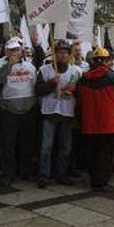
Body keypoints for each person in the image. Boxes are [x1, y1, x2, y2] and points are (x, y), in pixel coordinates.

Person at [76, 47, 114, 192]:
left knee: (92, 152)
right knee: (106, 153)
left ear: (92, 61)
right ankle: (102, 182)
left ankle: (94, 180)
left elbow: (79, 100)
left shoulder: (83, 78)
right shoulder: (113, 76)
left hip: (90, 124)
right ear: (106, 61)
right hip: (108, 123)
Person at [0, 38, 39, 185]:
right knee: (8, 144)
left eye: (17, 50)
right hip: (9, 111)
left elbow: (34, 85)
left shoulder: (29, 66)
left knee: (27, 143)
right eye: (11, 50)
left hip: (28, 110)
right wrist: (9, 65)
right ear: (6, 51)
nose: (15, 53)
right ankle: (8, 173)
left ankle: (26, 171)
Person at [35, 40, 82, 187]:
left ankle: (62, 173)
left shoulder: (76, 72)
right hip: (49, 112)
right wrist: (51, 84)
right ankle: (44, 175)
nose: (62, 55)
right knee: (46, 147)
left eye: (65, 52)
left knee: (65, 147)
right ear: (54, 54)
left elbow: (81, 93)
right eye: (59, 52)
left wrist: (75, 90)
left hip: (67, 114)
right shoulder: (45, 70)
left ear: (69, 55)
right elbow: (37, 91)